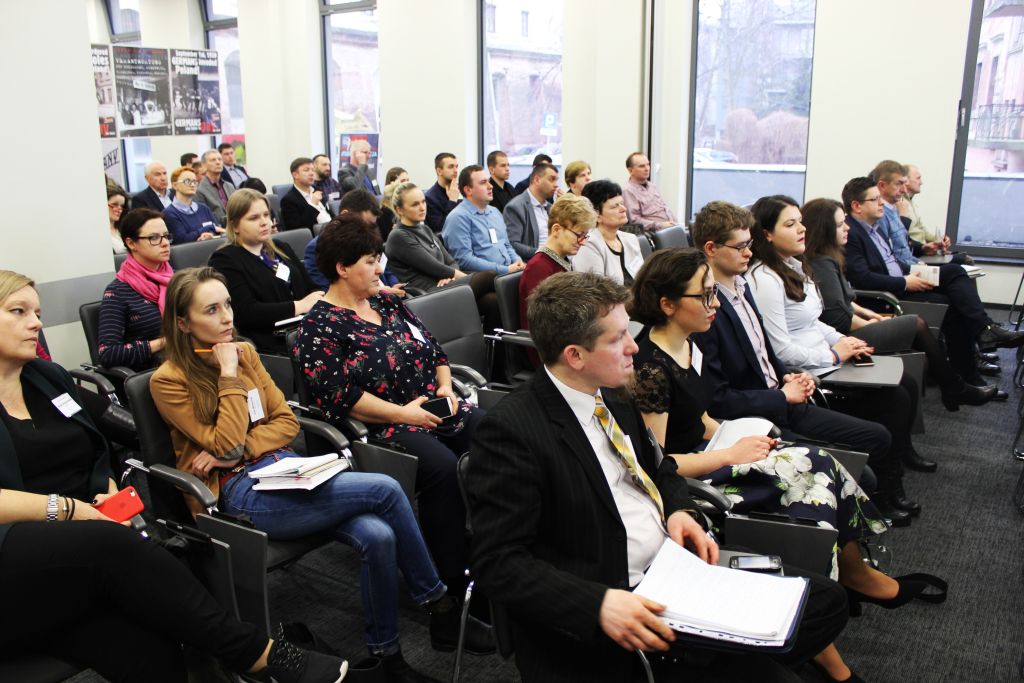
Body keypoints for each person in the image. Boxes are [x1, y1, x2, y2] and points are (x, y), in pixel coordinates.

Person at [467, 270, 851, 683]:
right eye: (617, 338)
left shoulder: (611, 391)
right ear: (575, 355)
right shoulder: (512, 430)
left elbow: (660, 468)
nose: (634, 346)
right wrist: (599, 604)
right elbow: (498, 562)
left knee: (827, 601)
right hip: (616, 596)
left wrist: (680, 509)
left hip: (675, 571)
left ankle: (715, 655)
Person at [0, 270, 347, 683]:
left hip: (73, 566)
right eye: (18, 312)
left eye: (37, 313)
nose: (36, 324)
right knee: (115, 547)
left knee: (151, 647)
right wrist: (71, 511)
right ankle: (252, 651)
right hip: (19, 558)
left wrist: (108, 495)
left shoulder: (48, 378)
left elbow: (97, 449)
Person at [152, 267, 482, 683]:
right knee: (385, 489)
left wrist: (242, 444)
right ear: (183, 323)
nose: (227, 318)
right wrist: (228, 375)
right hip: (236, 491)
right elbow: (227, 445)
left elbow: (286, 424)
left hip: (285, 467)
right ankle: (440, 605)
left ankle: (389, 659)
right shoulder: (169, 381)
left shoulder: (246, 352)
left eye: (228, 305)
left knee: (378, 535)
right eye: (212, 310)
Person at [628, 249, 936, 683]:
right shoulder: (651, 369)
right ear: (668, 304)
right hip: (695, 481)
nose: (715, 304)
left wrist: (740, 437)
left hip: (718, 453)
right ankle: (830, 647)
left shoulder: (686, 345)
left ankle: (855, 577)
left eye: (714, 293)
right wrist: (731, 453)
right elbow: (659, 465)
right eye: (705, 296)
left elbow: (700, 419)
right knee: (805, 491)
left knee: (821, 463)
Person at [295, 215, 485, 605]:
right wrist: (403, 414)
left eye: (378, 258)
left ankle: (494, 545)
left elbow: (435, 351)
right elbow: (340, 397)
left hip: (435, 407)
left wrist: (445, 388)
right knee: (442, 468)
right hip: (384, 426)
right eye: (370, 261)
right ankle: (450, 575)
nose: (380, 268)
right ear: (342, 268)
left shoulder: (388, 302)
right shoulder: (318, 327)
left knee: (494, 435)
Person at [689, 201, 917, 526]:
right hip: (760, 415)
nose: (748, 252)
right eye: (740, 247)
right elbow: (719, 399)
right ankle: (872, 512)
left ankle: (880, 503)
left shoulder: (741, 286)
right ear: (711, 249)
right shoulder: (707, 309)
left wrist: (789, 377)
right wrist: (784, 394)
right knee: (866, 458)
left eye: (749, 244)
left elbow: (767, 352)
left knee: (880, 431)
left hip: (783, 397)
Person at [746, 195, 931, 502]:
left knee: (906, 383)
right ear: (767, 234)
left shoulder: (794, 266)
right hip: (814, 374)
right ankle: (888, 487)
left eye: (801, 222)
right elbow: (780, 350)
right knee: (896, 398)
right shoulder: (764, 280)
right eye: (790, 225)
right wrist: (834, 353)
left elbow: (813, 322)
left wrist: (840, 341)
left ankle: (898, 463)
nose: (802, 229)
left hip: (828, 360)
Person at [801, 197, 996, 411]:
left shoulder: (830, 257)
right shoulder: (823, 264)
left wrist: (867, 314)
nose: (847, 227)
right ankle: (955, 387)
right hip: (845, 336)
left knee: (925, 319)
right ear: (824, 230)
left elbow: (843, 300)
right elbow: (838, 317)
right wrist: (871, 323)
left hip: (851, 326)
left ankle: (954, 385)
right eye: (840, 225)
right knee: (916, 324)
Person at [841, 176, 1022, 389]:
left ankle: (984, 331)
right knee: (952, 305)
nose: (882, 203)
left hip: (904, 278)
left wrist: (915, 271)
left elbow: (891, 260)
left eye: (880, 198)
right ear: (857, 206)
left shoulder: (875, 227)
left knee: (955, 271)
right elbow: (862, 278)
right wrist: (905, 282)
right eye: (875, 200)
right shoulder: (852, 233)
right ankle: (971, 369)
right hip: (888, 295)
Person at [208, 189, 322, 354]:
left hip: (307, 329)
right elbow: (246, 312)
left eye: (266, 215)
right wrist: (299, 306)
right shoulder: (225, 260)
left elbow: (311, 288)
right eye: (254, 218)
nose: (264, 222)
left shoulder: (281, 248)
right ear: (235, 226)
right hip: (272, 342)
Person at [385, 182, 500, 330]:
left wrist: (451, 277)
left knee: (493, 301)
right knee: (490, 276)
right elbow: (434, 267)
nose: (422, 207)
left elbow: (451, 262)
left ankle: (494, 345)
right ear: (399, 210)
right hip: (426, 294)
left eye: (423, 202)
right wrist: (458, 276)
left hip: (444, 286)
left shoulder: (424, 228)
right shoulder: (398, 236)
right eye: (415, 204)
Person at [98, 208, 172, 371]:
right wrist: (165, 342)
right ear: (131, 243)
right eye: (154, 238)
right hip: (152, 372)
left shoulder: (176, 280)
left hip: (186, 361)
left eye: (166, 236)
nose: (165, 243)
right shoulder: (117, 292)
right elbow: (108, 354)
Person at [304, 189, 404, 297]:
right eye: (365, 224)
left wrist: (394, 285)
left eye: (372, 226)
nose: (368, 230)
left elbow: (386, 270)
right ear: (345, 214)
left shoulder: (370, 237)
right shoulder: (317, 248)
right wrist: (378, 291)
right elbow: (330, 292)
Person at [441, 165, 525, 274]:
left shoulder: (495, 212)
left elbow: (506, 245)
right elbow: (464, 260)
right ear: (468, 190)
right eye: (483, 183)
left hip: (509, 273)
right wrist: (505, 270)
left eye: (488, 181)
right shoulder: (458, 218)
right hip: (487, 279)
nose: (490, 186)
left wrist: (517, 260)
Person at [574, 179, 644, 285]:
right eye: (615, 206)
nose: (623, 209)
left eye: (622, 203)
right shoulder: (588, 245)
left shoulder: (631, 239)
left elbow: (643, 279)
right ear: (596, 215)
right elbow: (596, 290)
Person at [503, 162, 559, 260]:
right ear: (537, 180)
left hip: (553, 259)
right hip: (533, 262)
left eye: (556, 180)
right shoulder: (516, 207)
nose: (556, 185)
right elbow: (512, 244)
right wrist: (543, 253)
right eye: (551, 179)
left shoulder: (551, 208)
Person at [163, 166, 223, 243]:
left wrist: (209, 234)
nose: (192, 184)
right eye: (187, 181)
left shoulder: (204, 208)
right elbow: (182, 240)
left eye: (194, 181)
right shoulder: (169, 213)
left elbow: (218, 231)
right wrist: (209, 228)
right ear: (175, 185)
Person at [621, 152, 678, 232]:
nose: (647, 168)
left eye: (648, 164)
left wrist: (674, 222)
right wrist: (660, 225)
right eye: (642, 166)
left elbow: (664, 208)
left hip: (671, 226)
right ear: (630, 170)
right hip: (654, 232)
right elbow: (634, 220)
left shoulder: (652, 186)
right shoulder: (628, 191)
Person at [281, 157, 334, 231]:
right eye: (306, 170)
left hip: (332, 229)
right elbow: (298, 230)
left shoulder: (316, 190)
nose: (311, 173)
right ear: (295, 175)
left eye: (313, 170)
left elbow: (328, 214)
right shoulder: (288, 200)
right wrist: (313, 204)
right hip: (317, 235)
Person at [195, 149, 236, 227]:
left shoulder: (229, 186)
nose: (218, 162)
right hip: (217, 229)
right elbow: (204, 218)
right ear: (204, 165)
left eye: (220, 159)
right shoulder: (199, 190)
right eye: (213, 160)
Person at [424, 152, 461, 233]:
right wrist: (452, 201)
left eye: (456, 167)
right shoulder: (430, 198)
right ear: (439, 171)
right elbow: (440, 228)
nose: (456, 171)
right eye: (451, 167)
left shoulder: (461, 190)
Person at [107, 187, 128, 254]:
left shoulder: (125, 229)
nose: (120, 209)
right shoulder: (97, 232)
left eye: (122, 206)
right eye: (115, 204)